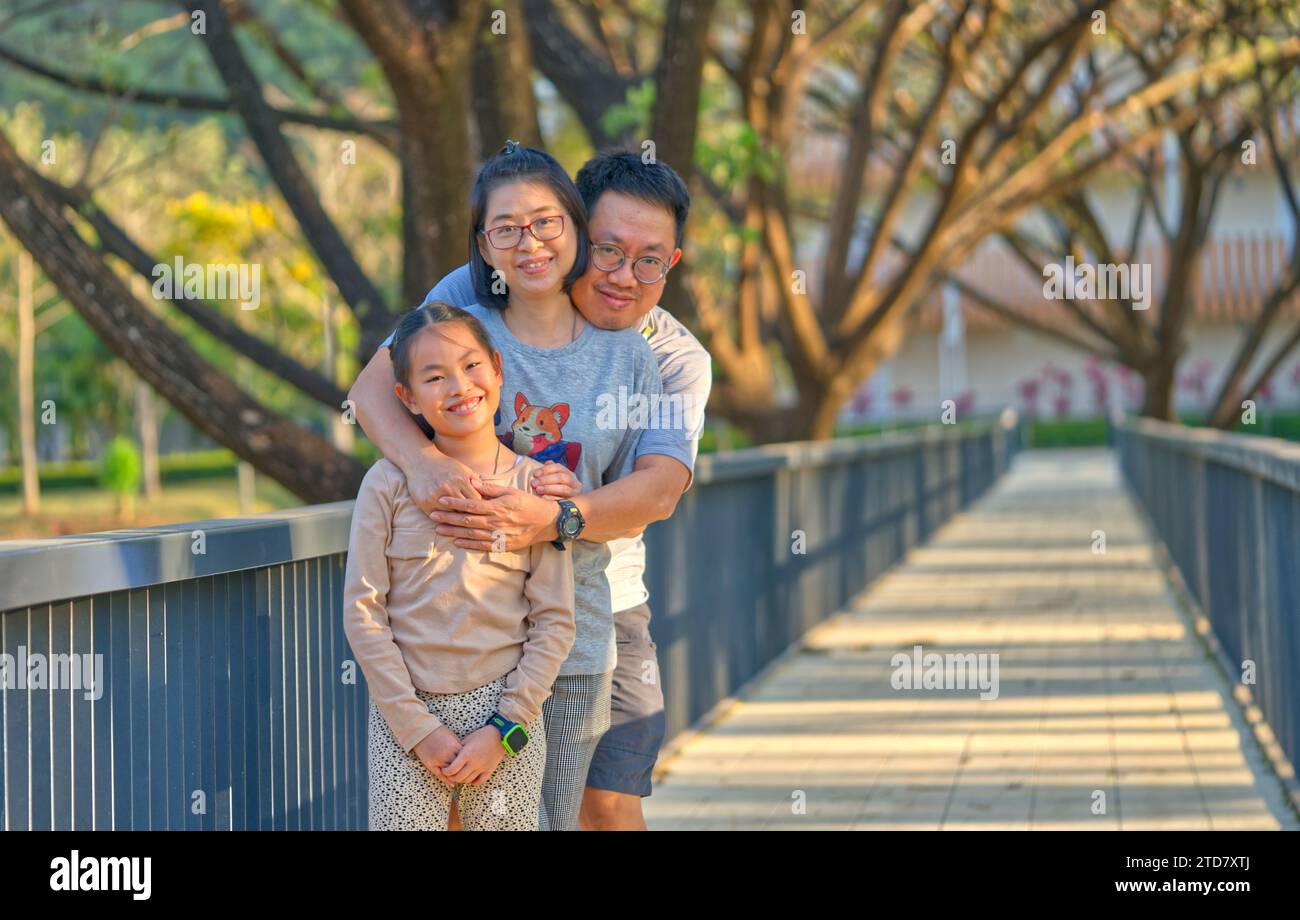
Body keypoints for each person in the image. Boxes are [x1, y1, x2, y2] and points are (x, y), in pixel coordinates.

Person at [350, 148, 711, 830]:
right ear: (577, 234)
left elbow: (659, 489)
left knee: (603, 806)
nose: (623, 276)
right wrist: (429, 473)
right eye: (607, 249)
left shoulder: (666, 356)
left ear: (671, 263)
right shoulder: (480, 293)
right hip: (471, 614)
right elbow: (376, 390)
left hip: (597, 600)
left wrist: (551, 517)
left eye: (649, 259)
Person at [343, 302, 575, 830]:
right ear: (406, 396)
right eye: (434, 376)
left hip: (502, 715)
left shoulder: (536, 488)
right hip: (405, 714)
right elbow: (362, 610)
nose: (459, 385)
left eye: (471, 366)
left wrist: (504, 729)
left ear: (497, 368)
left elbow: (555, 622)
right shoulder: (385, 485)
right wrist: (415, 727)